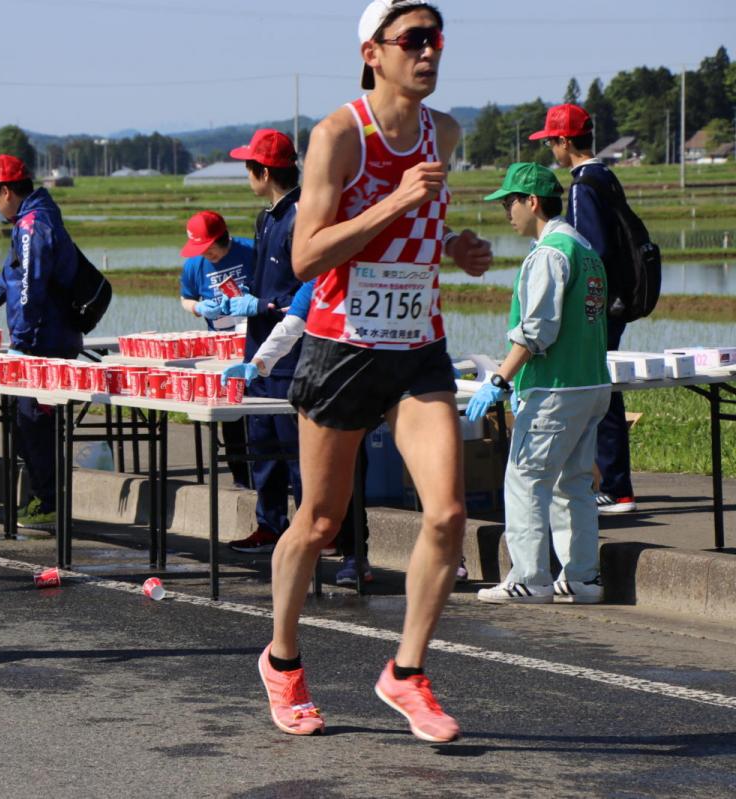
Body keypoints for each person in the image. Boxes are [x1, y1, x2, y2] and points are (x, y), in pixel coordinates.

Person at [258, 0, 493, 743]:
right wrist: (398, 201)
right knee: (321, 522)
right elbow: (306, 256)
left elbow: (421, 223)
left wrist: (453, 244)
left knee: (449, 513)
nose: (429, 52)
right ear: (373, 51)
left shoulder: (443, 132)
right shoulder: (337, 136)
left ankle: (406, 672)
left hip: (417, 343)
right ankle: (283, 657)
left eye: (437, 40)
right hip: (342, 345)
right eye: (413, 40)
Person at [469, 163, 610, 604]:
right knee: (575, 484)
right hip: (590, 384)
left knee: (527, 480)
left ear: (532, 202)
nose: (506, 211)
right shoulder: (585, 249)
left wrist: (498, 378)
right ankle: (582, 577)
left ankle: (529, 578)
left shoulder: (549, 253)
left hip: (553, 388)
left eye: (510, 202)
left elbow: (536, 330)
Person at [222, 281, 374, 587]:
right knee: (320, 503)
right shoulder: (319, 281)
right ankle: (286, 622)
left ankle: (356, 556)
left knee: (357, 474)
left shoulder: (382, 272)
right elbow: (290, 326)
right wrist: (259, 362)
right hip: (330, 391)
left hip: (375, 382)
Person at [528, 104, 636, 515]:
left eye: (552, 142)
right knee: (600, 387)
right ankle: (611, 481)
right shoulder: (605, 176)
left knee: (597, 389)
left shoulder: (583, 186)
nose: (551, 150)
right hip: (615, 303)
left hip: (599, 307)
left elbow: (591, 250)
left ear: (564, 142)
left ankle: (614, 485)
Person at [0, 155, 83, 530]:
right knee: (27, 421)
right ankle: (41, 495)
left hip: (44, 342)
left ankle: (48, 501)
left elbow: (30, 287)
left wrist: (25, 342)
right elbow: (7, 281)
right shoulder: (27, 221)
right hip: (38, 339)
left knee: (35, 422)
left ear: (4, 191)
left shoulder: (34, 225)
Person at [221, 128, 304, 555]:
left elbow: (309, 291)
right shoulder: (267, 216)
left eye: (248, 167)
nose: (245, 175)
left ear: (265, 171)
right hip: (257, 350)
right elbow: (262, 282)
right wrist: (238, 301)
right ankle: (269, 524)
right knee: (263, 443)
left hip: (290, 352)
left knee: (296, 449)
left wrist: (265, 306)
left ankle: (311, 533)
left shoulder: (302, 216)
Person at [178, 209, 254, 490]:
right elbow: (186, 298)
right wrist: (198, 307)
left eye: (209, 249)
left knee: (260, 412)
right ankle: (240, 477)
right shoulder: (194, 265)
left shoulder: (251, 250)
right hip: (222, 350)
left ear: (223, 239)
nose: (205, 255)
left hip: (255, 343)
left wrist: (253, 300)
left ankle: (269, 473)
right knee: (231, 414)